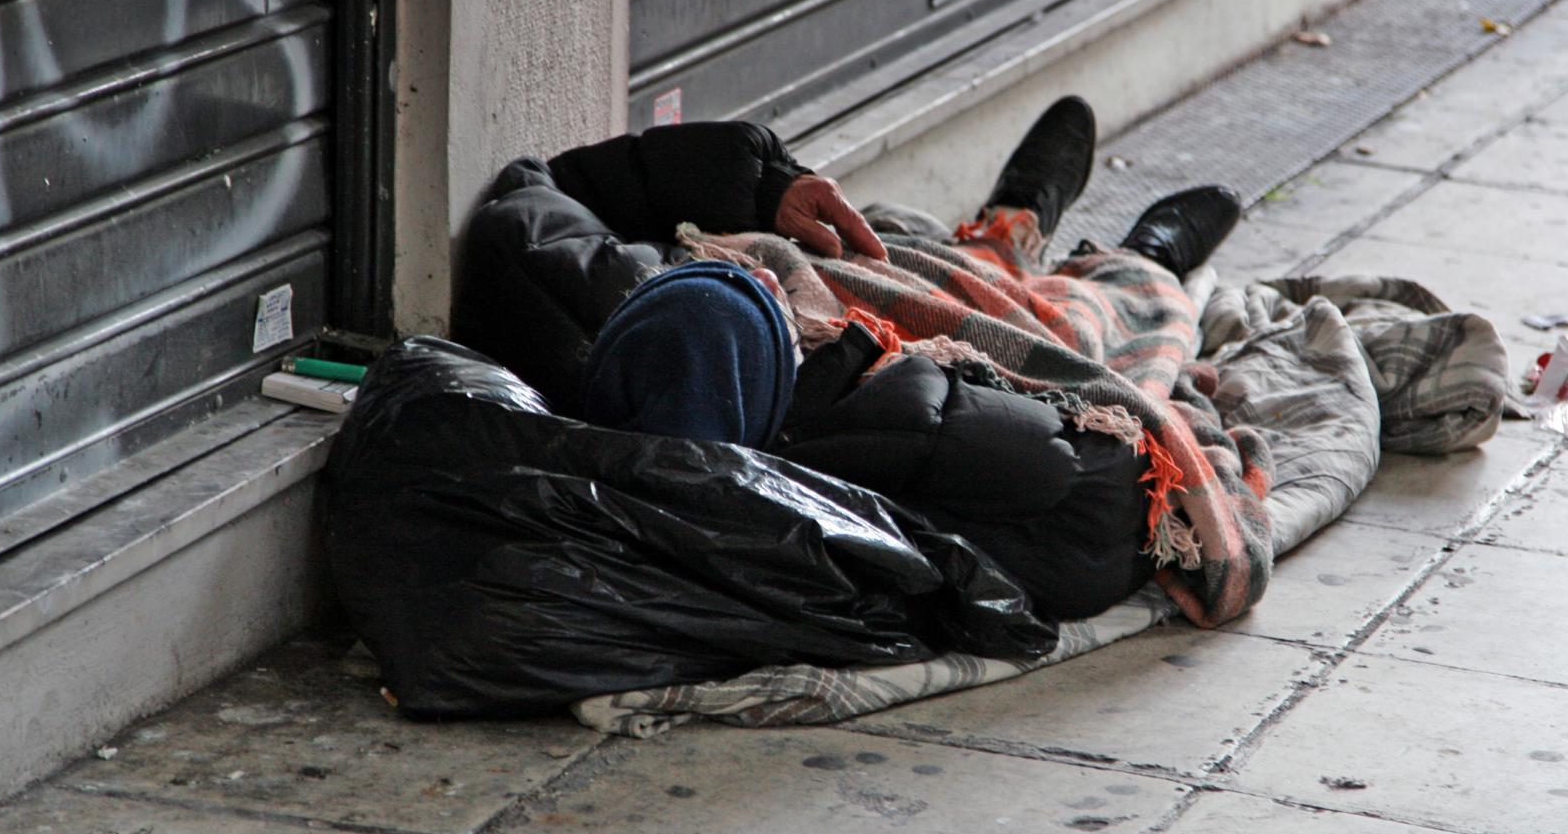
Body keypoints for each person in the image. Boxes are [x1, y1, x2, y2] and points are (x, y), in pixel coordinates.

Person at [455, 99, 1263, 625]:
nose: (766, 274)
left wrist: (763, 185)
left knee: (907, 251)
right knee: (1095, 320)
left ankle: (1010, 223)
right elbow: (1104, 494)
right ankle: (1143, 257)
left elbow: (542, 184)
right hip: (901, 351)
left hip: (854, 291)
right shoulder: (864, 434)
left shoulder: (571, 303)